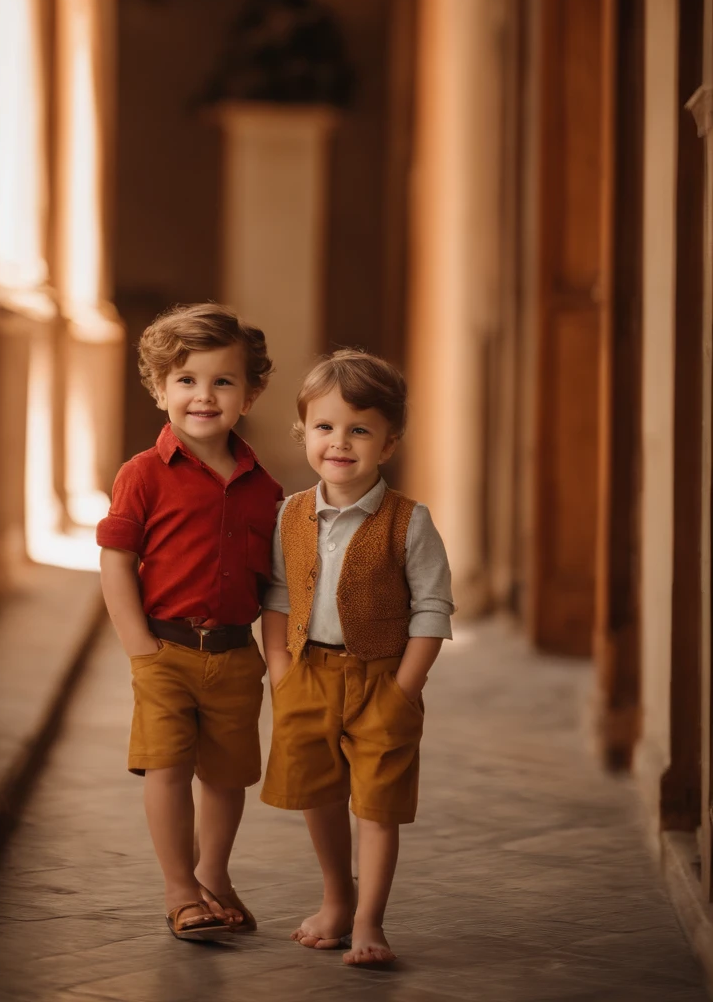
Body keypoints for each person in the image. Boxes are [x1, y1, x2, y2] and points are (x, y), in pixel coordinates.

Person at [260, 348, 454, 966]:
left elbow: (432, 608)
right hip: (307, 672)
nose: (339, 442)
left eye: (359, 429)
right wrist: (280, 671)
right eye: (325, 426)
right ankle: (336, 897)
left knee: (376, 803)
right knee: (318, 792)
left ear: (388, 442)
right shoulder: (290, 514)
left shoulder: (409, 522)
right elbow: (280, 595)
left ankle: (370, 919)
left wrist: (405, 686)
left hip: (381, 680)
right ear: (305, 433)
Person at [96, 303, 282, 942]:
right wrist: (138, 648)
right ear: (159, 389)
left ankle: (215, 875)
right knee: (167, 768)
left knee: (227, 775)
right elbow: (117, 559)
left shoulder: (267, 490)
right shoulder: (142, 475)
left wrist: (278, 657)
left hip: (235, 655)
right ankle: (180, 890)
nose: (204, 396)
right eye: (186, 380)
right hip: (166, 650)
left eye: (223, 382)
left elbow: (276, 584)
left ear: (250, 393)